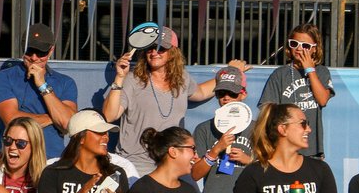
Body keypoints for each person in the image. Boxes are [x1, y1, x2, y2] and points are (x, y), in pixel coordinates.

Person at [102, 26, 249, 175]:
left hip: (171, 165)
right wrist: (119, 77)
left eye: (161, 48)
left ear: (173, 52)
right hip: (136, 166)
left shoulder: (182, 78)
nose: (154, 53)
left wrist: (230, 72)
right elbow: (109, 116)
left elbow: (202, 92)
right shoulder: (132, 79)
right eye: (150, 48)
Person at [0, 23, 78, 159]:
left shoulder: (66, 82)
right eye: (30, 51)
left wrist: (42, 84)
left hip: (51, 161)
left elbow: (68, 124)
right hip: (16, 159)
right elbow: (13, 121)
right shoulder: (5, 77)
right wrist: (53, 117)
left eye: (41, 52)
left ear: (51, 50)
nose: (34, 58)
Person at [258, 23, 334, 159]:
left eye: (305, 46)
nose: (299, 49)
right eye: (294, 44)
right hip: (284, 148)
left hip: (312, 149)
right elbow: (267, 110)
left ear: (315, 49)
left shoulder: (321, 72)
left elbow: (322, 100)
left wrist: (310, 70)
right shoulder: (280, 74)